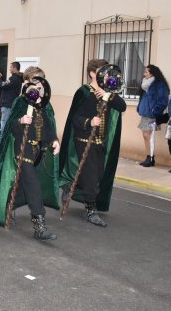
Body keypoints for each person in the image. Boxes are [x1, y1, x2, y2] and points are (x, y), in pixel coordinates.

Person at [0, 67, 60, 240]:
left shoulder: (44, 103)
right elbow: (11, 127)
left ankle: (7, 206)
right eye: (33, 80)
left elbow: (48, 126)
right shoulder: (21, 101)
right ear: (26, 82)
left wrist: (54, 140)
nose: (37, 84)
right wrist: (20, 121)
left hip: (38, 152)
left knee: (23, 184)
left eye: (40, 81)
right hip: (22, 150)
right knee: (33, 185)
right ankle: (39, 226)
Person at [58, 59, 126, 227]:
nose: (108, 74)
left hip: (101, 141)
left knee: (98, 175)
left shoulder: (108, 91)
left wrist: (107, 95)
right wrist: (89, 122)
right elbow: (75, 118)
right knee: (90, 178)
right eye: (103, 71)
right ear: (92, 73)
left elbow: (122, 106)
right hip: (84, 140)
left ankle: (71, 186)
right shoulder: (84, 92)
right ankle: (91, 210)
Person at [136, 65, 169, 167]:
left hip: (152, 114)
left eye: (146, 72)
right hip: (145, 113)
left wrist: (155, 111)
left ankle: (151, 158)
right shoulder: (145, 83)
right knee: (145, 136)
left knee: (149, 136)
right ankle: (148, 156)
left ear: (152, 73)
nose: (144, 74)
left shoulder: (159, 84)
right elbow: (143, 98)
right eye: (145, 72)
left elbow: (163, 100)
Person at [0, 61, 22, 145]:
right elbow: (6, 85)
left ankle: (1, 140)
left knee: (4, 123)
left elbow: (2, 85)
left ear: (15, 68)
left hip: (8, 104)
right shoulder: (16, 78)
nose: (9, 69)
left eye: (11, 67)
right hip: (10, 103)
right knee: (7, 122)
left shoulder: (14, 78)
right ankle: (5, 140)